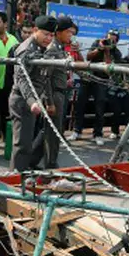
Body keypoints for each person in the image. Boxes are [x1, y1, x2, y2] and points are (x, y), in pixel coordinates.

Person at [9, 14, 55, 171]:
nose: (49, 38)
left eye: (51, 35)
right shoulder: (26, 49)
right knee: (22, 144)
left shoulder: (42, 48)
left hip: (34, 101)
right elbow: (21, 79)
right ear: (36, 30)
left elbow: (45, 77)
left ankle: (23, 173)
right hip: (22, 101)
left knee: (28, 142)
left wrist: (48, 101)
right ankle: (14, 179)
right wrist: (32, 102)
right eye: (46, 34)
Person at [74, 29, 122, 144]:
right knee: (80, 104)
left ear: (116, 41)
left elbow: (109, 67)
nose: (111, 39)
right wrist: (99, 49)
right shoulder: (97, 42)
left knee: (99, 108)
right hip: (88, 78)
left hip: (101, 81)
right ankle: (77, 131)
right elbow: (89, 57)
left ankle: (98, 134)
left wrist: (106, 51)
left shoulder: (117, 52)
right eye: (110, 36)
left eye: (114, 37)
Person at [44, 16, 76, 169]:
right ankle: (51, 164)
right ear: (59, 32)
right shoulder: (52, 49)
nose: (71, 35)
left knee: (51, 129)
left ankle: (35, 159)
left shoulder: (60, 48)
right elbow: (46, 78)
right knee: (53, 132)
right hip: (55, 94)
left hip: (61, 92)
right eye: (68, 32)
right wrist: (49, 102)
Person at [0, 11, 19, 141]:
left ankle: (7, 140)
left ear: (5, 24)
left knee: (7, 113)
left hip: (9, 83)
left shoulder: (13, 39)